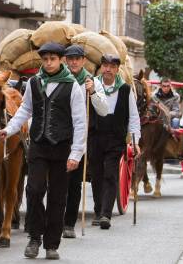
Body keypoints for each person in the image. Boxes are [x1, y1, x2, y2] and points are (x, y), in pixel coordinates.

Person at [0, 42, 86, 260]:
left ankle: (52, 244)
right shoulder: (35, 82)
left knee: (57, 196)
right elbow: (25, 110)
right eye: (45, 59)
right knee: (34, 189)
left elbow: (80, 122)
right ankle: (34, 238)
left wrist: (76, 154)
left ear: (61, 61)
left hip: (62, 148)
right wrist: (9, 130)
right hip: (38, 144)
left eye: (53, 59)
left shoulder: (72, 86)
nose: (48, 63)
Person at [89, 53, 140, 230]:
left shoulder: (125, 89)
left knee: (110, 174)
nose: (108, 69)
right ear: (101, 67)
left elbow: (133, 117)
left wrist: (136, 141)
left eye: (112, 66)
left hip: (115, 137)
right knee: (96, 174)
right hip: (96, 135)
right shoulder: (93, 85)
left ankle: (105, 214)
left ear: (117, 70)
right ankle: (97, 211)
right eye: (105, 65)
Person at [62, 45, 109, 239]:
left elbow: (104, 110)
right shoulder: (58, 78)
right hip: (58, 135)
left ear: (83, 61)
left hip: (79, 137)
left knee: (74, 181)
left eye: (77, 58)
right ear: (65, 60)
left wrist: (93, 93)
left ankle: (69, 223)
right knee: (54, 181)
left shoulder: (92, 81)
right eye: (70, 58)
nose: (73, 61)